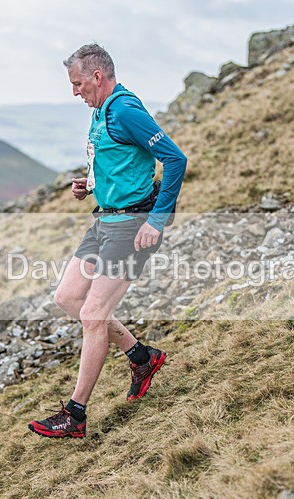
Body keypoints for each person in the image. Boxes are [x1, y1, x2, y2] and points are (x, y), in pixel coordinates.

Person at [27, 44, 187, 438]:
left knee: (94, 314)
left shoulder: (126, 111)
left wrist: (157, 221)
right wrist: (91, 185)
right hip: (104, 220)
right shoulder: (100, 111)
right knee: (68, 298)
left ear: (97, 77)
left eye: (78, 84)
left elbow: (175, 159)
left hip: (132, 225)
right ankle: (142, 357)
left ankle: (75, 414)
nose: (75, 92)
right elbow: (118, 161)